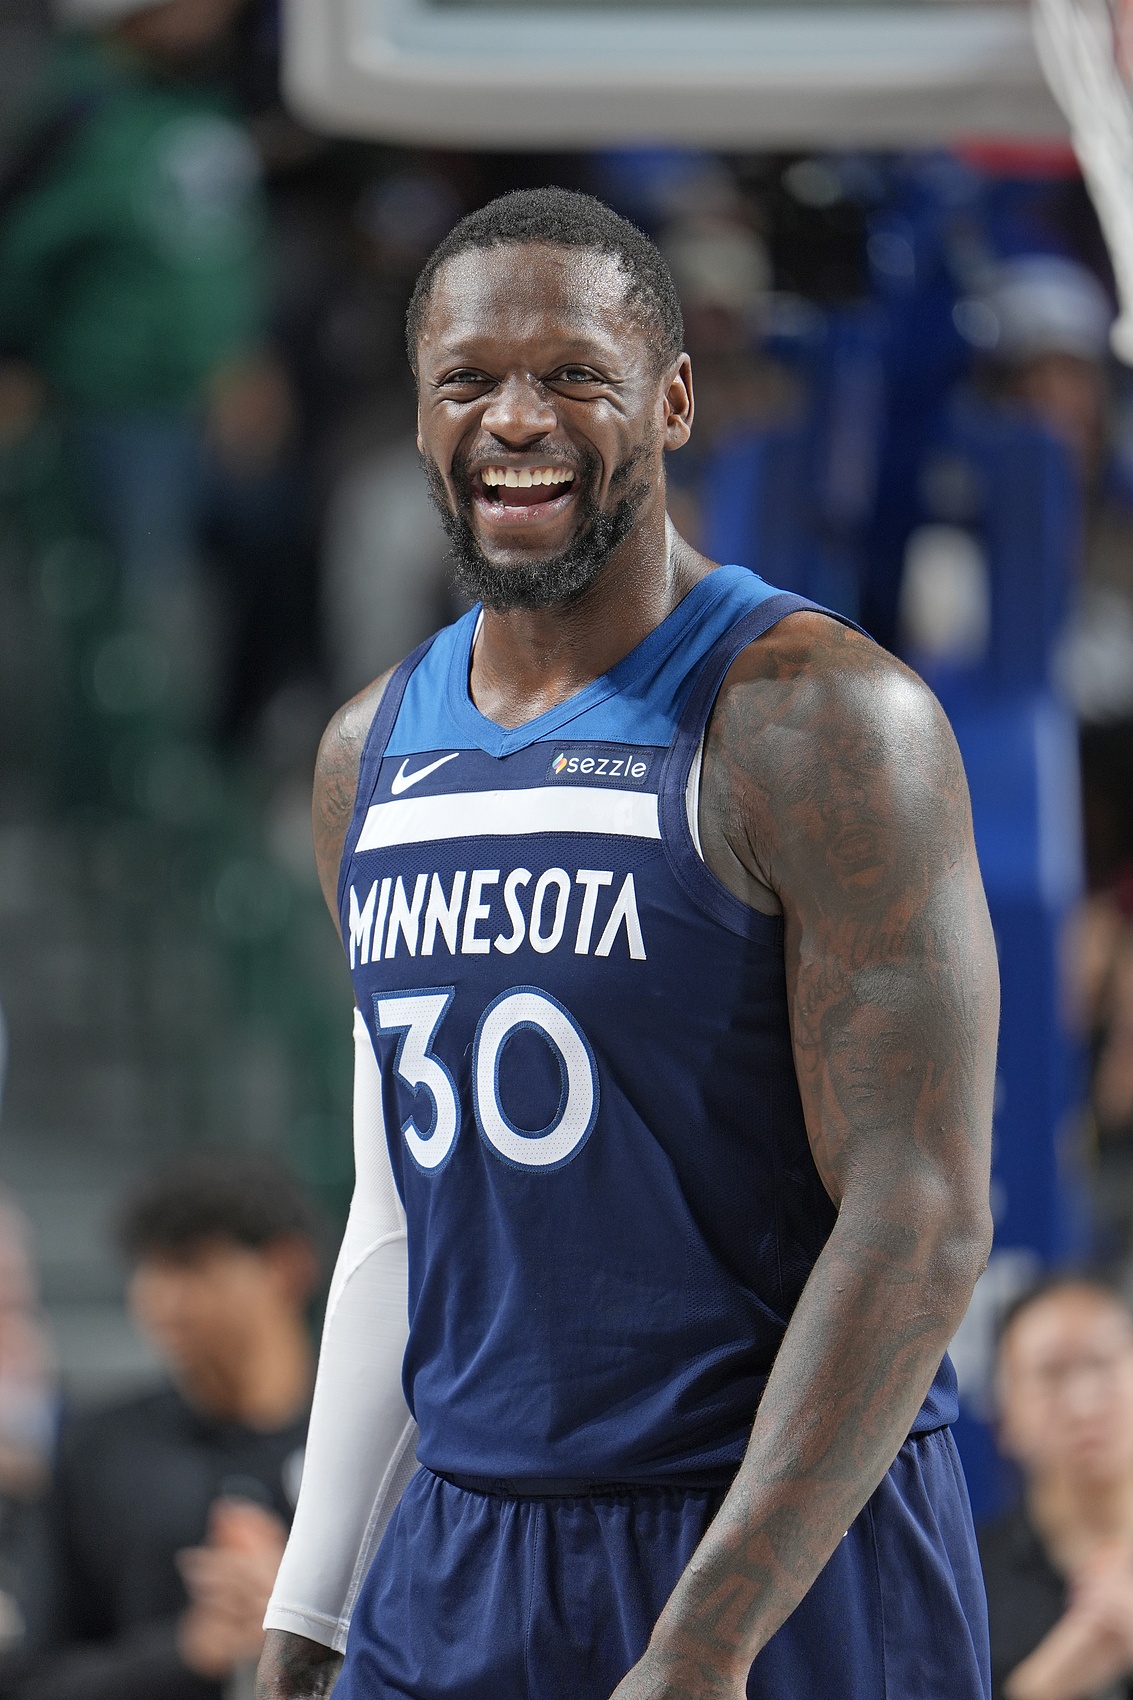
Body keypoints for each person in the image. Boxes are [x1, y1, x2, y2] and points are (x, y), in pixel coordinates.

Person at [257, 186, 999, 1700]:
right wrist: (310, 1610)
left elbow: (919, 1216)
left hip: (775, 1550)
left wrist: (706, 1636)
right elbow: (400, 1212)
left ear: (670, 400)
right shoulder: (366, 756)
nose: (515, 419)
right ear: (418, 413)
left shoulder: (820, 721)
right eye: (468, 379)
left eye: (572, 374)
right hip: (463, 1549)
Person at [17, 1151, 319, 1700]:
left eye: (190, 1265)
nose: (157, 1298)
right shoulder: (101, 1450)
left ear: (284, 1267)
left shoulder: (371, 1448)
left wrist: (307, 1626)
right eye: (147, 1268)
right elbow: (32, 1680)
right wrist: (188, 1650)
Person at [979, 1276, 1133, 1700]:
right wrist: (1042, 1687)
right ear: (1003, 1415)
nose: (1084, 1403)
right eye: (1051, 1373)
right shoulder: (966, 1584)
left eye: (1103, 1364)